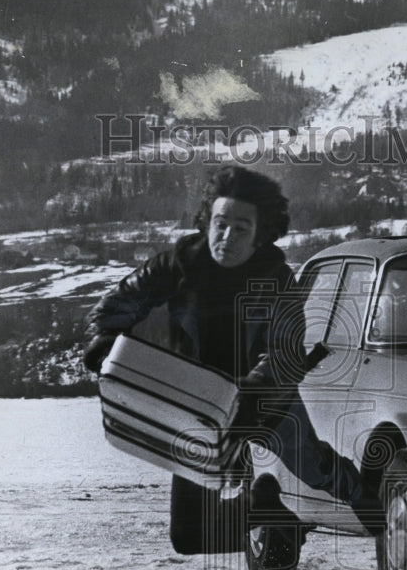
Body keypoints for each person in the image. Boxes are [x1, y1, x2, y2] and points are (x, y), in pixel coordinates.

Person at [83, 165, 366, 508]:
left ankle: (365, 496)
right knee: (189, 531)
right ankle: (261, 505)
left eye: (241, 227)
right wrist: (107, 335)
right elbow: (122, 301)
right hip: (196, 393)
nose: (227, 237)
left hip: (261, 395)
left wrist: (253, 393)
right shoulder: (178, 264)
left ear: (260, 234)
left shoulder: (276, 280)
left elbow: (285, 352)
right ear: (208, 221)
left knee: (312, 467)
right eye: (221, 224)